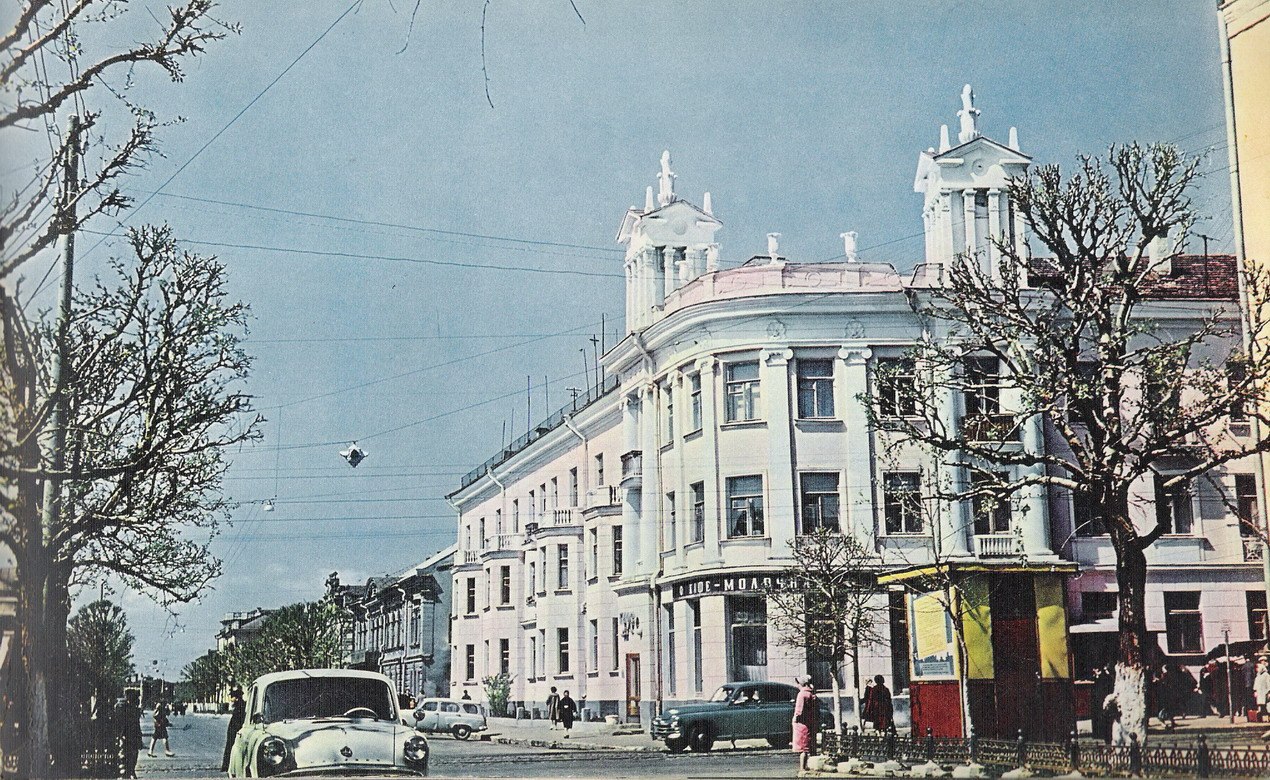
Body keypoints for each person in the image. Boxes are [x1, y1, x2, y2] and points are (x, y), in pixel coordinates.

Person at [792, 675, 819, 772]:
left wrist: (795, 719)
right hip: (811, 723)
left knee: (803, 748)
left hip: (802, 725)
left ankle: (802, 768)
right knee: (810, 747)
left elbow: (799, 711)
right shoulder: (812, 694)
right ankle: (810, 766)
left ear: (801, 684)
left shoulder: (802, 694)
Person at [221, 686, 246, 773]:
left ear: (237, 698)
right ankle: (227, 766)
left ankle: (227, 766)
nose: (231, 699)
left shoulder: (240, 706)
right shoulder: (240, 705)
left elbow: (239, 720)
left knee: (231, 748)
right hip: (234, 730)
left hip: (235, 731)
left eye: (232, 697)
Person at [119, 690, 142, 779]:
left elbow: (137, 723)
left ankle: (131, 771)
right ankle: (129, 772)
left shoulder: (135, 709)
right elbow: (121, 723)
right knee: (128, 754)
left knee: (133, 754)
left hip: (134, 734)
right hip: (127, 734)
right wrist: (121, 735)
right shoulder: (124, 708)